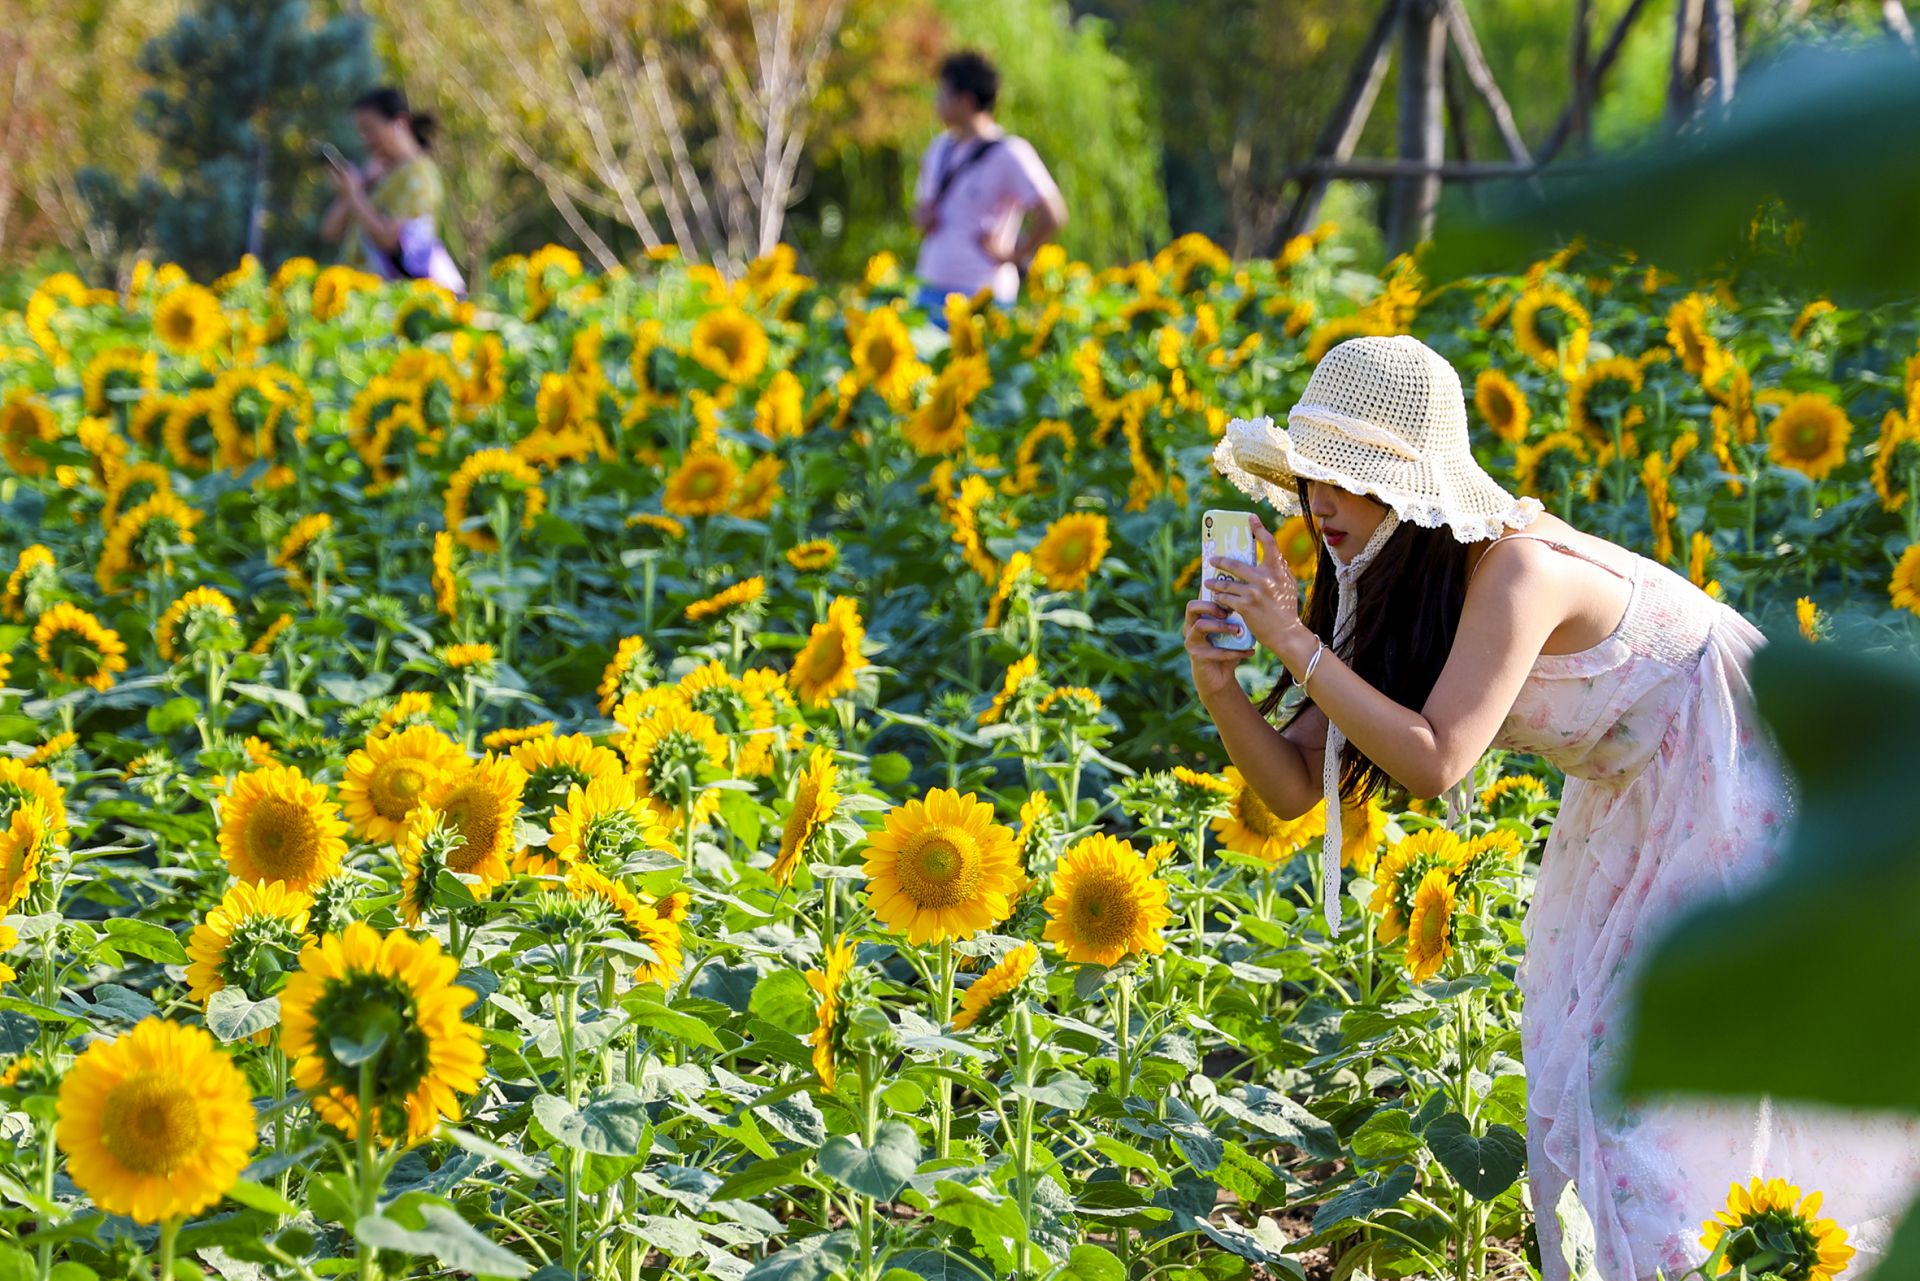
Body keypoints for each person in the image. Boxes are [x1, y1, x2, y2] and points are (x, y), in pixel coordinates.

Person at [1188, 335, 1920, 1280]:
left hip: (1733, 770)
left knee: (1663, 1093)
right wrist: (1221, 687)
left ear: (1413, 487)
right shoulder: (1381, 581)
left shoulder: (1517, 572)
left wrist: (1292, 639)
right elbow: (1293, 789)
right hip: (1629, 795)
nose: (1318, 502)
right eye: (1308, 477)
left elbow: (1436, 763)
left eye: (1343, 475)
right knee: (1592, 1073)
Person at [911, 50, 1067, 325]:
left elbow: (1054, 214)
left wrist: (1016, 255)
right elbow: (920, 214)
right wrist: (923, 219)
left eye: (942, 94)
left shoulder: (1010, 153)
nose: (936, 102)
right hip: (930, 289)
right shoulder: (938, 149)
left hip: (984, 298)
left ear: (966, 100)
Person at [320, 87, 464, 295]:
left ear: (400, 123)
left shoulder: (421, 177)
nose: (365, 139)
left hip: (387, 304)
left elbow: (391, 242)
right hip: (360, 301)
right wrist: (358, 185)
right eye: (360, 131)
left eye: (369, 129)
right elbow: (330, 232)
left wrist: (354, 195)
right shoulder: (381, 174)